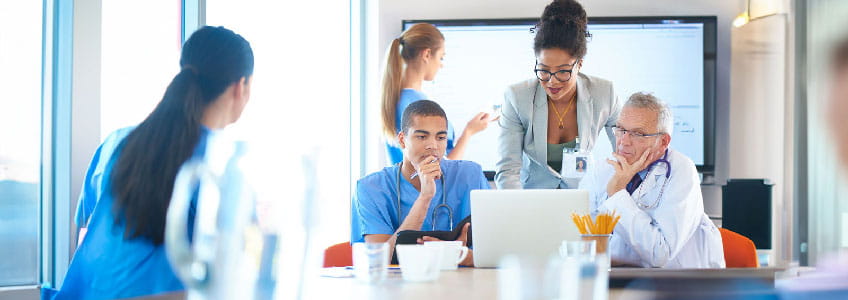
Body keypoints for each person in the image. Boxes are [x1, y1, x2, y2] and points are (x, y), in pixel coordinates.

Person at [53, 26, 254, 299]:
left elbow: (85, 237)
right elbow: (237, 274)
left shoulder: (116, 142)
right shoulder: (220, 164)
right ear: (240, 87)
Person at [579, 92, 725, 268]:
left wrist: (617, 193)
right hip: (615, 279)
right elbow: (583, 239)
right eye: (621, 130)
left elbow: (660, 254)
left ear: (663, 141)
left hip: (675, 286)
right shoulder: (602, 171)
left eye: (637, 134)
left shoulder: (681, 170)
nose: (623, 141)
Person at [496, 0, 622, 189]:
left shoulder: (604, 93)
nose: (552, 81)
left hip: (584, 198)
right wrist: (517, 210)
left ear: (579, 64)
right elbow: (508, 170)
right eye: (544, 70)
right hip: (532, 198)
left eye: (563, 71)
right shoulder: (517, 97)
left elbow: (626, 153)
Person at [352, 100, 489, 266]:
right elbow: (378, 261)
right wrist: (425, 197)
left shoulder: (470, 175)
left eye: (441, 137)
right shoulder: (370, 188)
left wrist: (459, 255)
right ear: (402, 140)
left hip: (460, 284)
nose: (433, 146)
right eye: (422, 137)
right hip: (397, 288)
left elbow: (499, 254)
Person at [381, 23, 493, 165]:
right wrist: (469, 132)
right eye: (441, 57)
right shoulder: (415, 105)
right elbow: (437, 171)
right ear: (427, 54)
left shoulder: (400, 99)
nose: (441, 64)